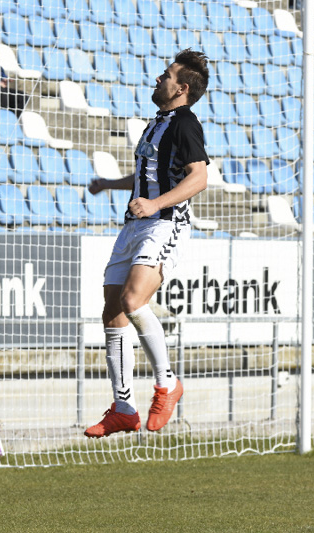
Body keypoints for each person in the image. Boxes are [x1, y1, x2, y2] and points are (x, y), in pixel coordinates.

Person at [84, 49, 210, 438]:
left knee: (134, 300)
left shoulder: (186, 123)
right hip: (135, 225)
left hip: (164, 223)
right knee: (113, 312)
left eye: (166, 75)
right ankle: (123, 407)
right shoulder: (158, 122)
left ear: (182, 88)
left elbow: (199, 178)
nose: (158, 79)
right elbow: (147, 174)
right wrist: (111, 184)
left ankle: (167, 383)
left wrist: (154, 203)